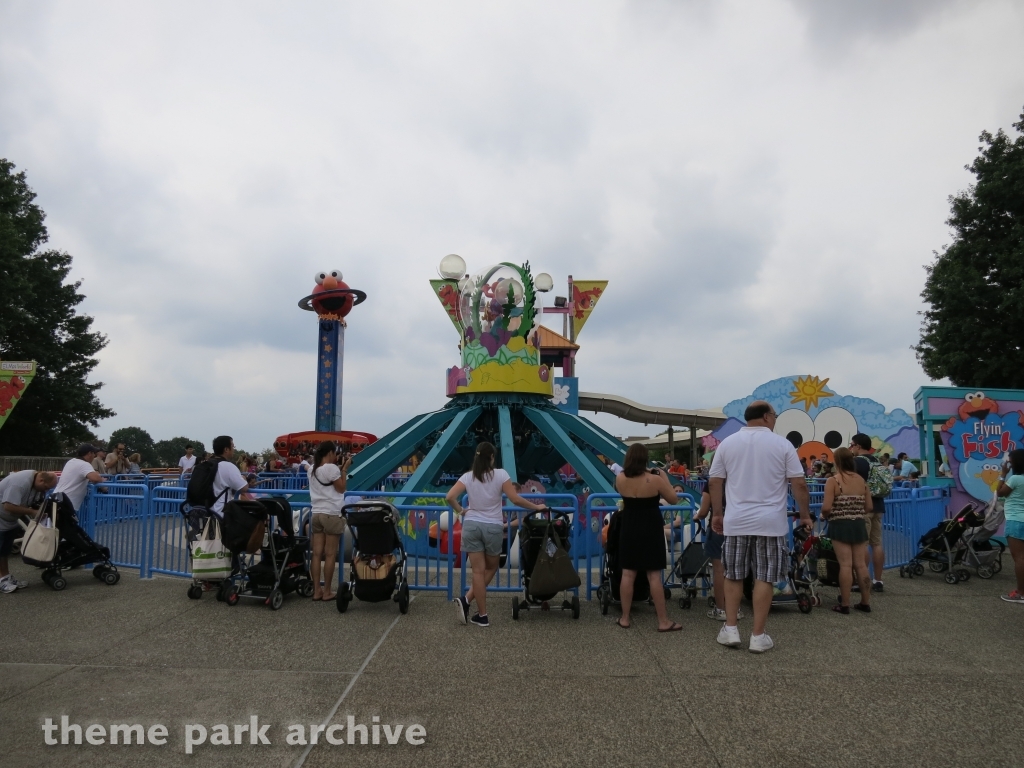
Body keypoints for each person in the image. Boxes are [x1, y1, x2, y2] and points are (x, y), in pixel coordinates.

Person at [709, 401, 811, 653]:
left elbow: (714, 482)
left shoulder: (728, 444)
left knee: (733, 574)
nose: (775, 419)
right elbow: (799, 484)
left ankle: (731, 629)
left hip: (736, 521)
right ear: (766, 417)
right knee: (765, 577)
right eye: (774, 415)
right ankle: (758, 635)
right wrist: (806, 516)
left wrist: (718, 514)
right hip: (771, 523)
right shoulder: (783, 445)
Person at [448, 442, 545, 627]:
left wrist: (461, 511)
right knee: (491, 568)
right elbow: (515, 499)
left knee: (477, 571)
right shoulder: (501, 475)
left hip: (472, 525)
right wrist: (536, 507)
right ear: (492, 457)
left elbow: (449, 496)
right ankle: (467, 600)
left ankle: (481, 614)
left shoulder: (468, 477)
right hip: (493, 526)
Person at [614, 443, 681, 632]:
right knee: (654, 576)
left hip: (629, 526)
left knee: (628, 573)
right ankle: (663, 621)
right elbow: (674, 499)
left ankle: (625, 618)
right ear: (645, 459)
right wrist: (664, 477)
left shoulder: (620, 478)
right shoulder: (655, 480)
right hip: (651, 526)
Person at [821, 448, 873, 614]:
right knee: (860, 564)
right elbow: (869, 507)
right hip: (858, 524)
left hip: (840, 525)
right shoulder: (861, 480)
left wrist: (824, 515)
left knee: (845, 564)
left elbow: (827, 507)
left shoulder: (834, 481)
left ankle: (844, 604)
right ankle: (865, 602)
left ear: (837, 461)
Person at [693, 482, 744, 622]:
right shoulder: (739, 478)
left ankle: (721, 609)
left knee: (719, 570)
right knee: (735, 569)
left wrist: (697, 517)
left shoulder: (712, 484)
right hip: (739, 527)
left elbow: (703, 511)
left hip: (718, 528)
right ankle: (735, 608)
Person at [0, 470, 58, 593]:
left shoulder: (35, 483)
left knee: (5, 550)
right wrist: (32, 512)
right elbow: (8, 506)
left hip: (9, 520)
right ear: (41, 480)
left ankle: (5, 577)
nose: (45, 491)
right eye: (45, 488)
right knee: (1, 550)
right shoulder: (19, 483)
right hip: (2, 518)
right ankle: (3, 579)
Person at [308, 441, 352, 601]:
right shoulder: (332, 468)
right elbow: (341, 488)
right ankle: (327, 591)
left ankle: (316, 590)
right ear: (331, 453)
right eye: (335, 453)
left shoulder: (312, 470)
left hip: (316, 513)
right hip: (332, 513)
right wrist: (345, 469)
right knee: (331, 554)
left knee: (317, 554)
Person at [849, 433, 887, 593]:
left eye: (852, 445)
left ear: (858, 446)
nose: (851, 447)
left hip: (863, 507)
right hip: (878, 505)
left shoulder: (856, 462)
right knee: (876, 543)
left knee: (861, 544)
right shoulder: (876, 460)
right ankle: (878, 580)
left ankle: (860, 580)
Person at [997, 449, 1024, 603]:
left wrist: (1003, 473)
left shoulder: (1015, 479)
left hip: (1016, 521)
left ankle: (1021, 593)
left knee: (1019, 558)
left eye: (1011, 460)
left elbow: (999, 492)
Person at [209, 436, 253, 518]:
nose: (234, 449)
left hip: (205, 511)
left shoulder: (205, 464)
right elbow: (244, 488)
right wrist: (243, 478)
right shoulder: (228, 466)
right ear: (226, 449)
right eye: (232, 446)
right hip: (222, 512)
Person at [55, 444, 105, 512]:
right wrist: (102, 479)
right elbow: (95, 478)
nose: (94, 456)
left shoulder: (71, 461)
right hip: (67, 503)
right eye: (94, 453)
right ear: (89, 453)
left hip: (57, 497)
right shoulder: (84, 464)